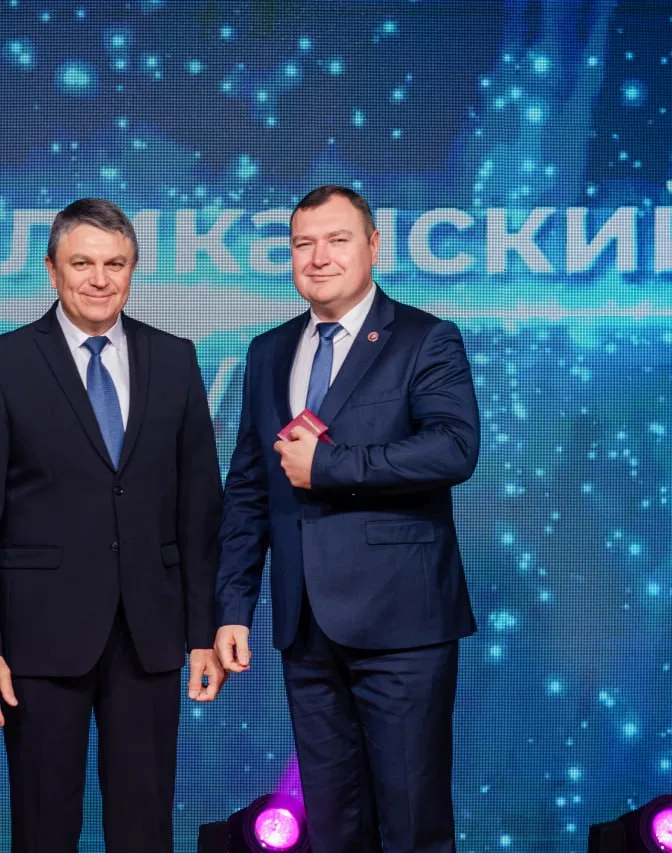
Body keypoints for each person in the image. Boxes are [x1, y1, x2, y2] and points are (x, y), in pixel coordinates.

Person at [0, 198, 225, 852]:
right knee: (44, 826)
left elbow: (199, 508)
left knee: (145, 827)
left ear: (133, 270)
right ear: (52, 269)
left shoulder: (175, 358)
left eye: (115, 264)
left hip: (149, 635)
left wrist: (202, 632)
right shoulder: (1, 364)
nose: (99, 279)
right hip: (37, 638)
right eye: (82, 264)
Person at [215, 185, 480, 853]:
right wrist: (232, 607)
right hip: (306, 630)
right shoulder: (269, 350)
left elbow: (454, 447)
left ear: (373, 246)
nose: (318, 257)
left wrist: (331, 465)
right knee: (333, 829)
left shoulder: (424, 338)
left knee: (412, 825)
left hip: (402, 627)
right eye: (303, 244)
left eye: (337, 240)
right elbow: (249, 488)